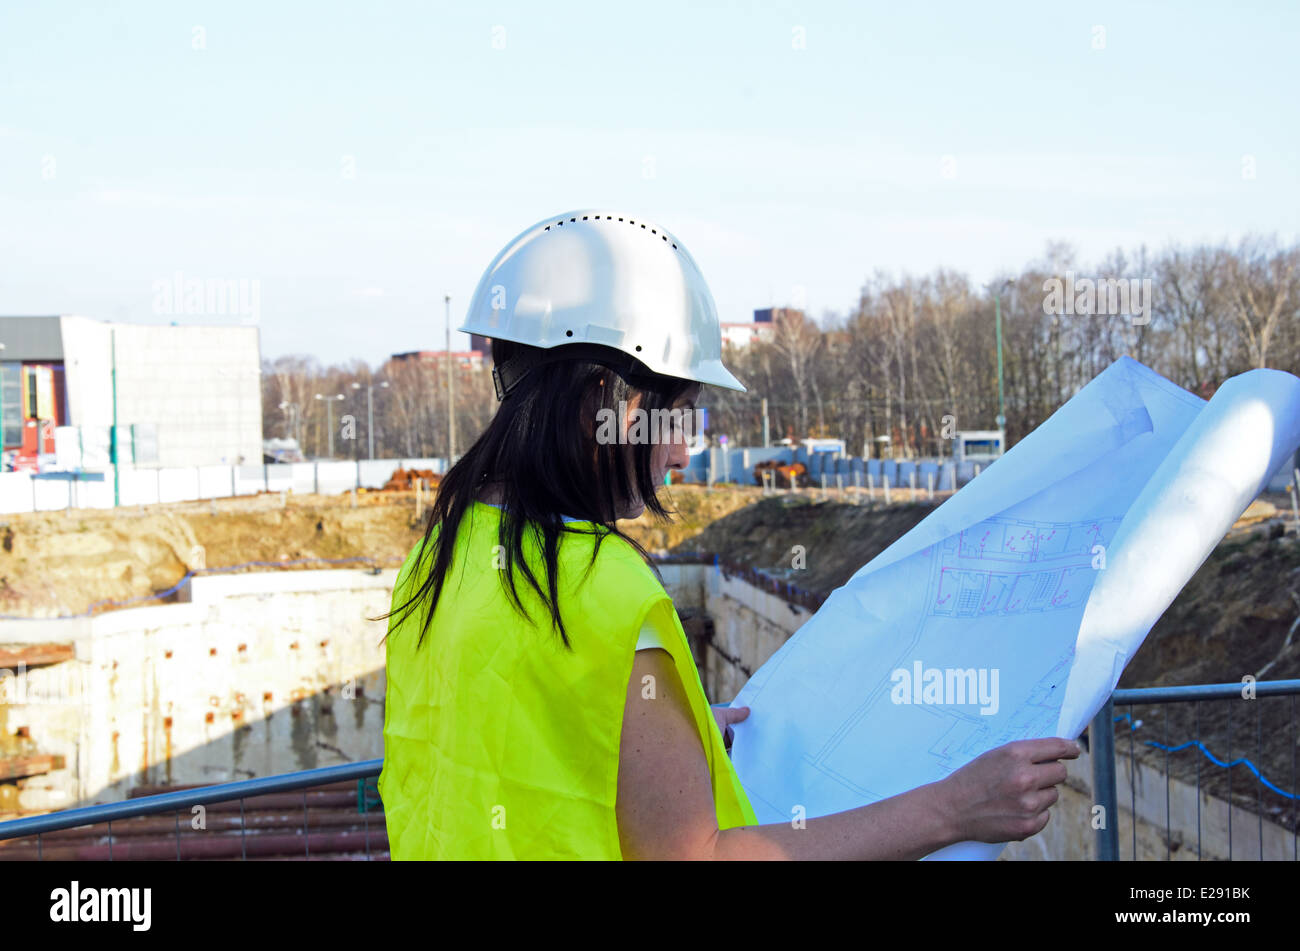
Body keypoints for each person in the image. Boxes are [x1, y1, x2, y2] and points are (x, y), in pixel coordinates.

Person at [377, 210, 1079, 860]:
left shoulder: (441, 553)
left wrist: (662, 745)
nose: (682, 452)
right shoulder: (604, 590)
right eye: (679, 414)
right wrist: (950, 809)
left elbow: (498, 752)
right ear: (604, 400)